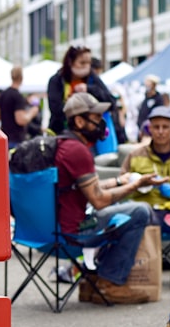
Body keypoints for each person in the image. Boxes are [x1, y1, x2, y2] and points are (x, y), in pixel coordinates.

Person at [55, 92, 157, 289]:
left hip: (49, 231)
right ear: (79, 121)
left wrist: (120, 181)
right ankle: (110, 279)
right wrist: (134, 186)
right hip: (73, 233)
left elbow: (84, 189)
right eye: (95, 118)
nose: (101, 123)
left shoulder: (62, 146)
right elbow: (99, 200)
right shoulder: (77, 151)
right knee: (140, 211)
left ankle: (97, 274)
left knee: (121, 208)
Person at [121, 105, 170, 291]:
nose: (161, 132)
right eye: (156, 127)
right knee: (138, 210)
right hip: (147, 213)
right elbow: (122, 187)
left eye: (165, 127)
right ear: (149, 128)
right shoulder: (135, 156)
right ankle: (136, 271)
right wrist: (138, 184)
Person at [48, 45, 112, 135]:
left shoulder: (92, 78)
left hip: (90, 135)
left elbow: (111, 100)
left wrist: (89, 89)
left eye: (89, 63)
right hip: (62, 132)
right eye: (82, 63)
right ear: (70, 62)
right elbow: (56, 110)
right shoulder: (57, 80)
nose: (86, 66)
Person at [0, 66, 39, 149]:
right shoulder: (17, 96)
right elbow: (21, 120)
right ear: (21, 78)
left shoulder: (3, 95)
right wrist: (32, 112)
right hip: (16, 139)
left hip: (5, 137)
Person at [136, 74, 165, 140]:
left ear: (153, 85)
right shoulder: (146, 97)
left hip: (151, 130)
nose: (146, 85)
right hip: (142, 129)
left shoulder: (158, 99)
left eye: (148, 83)